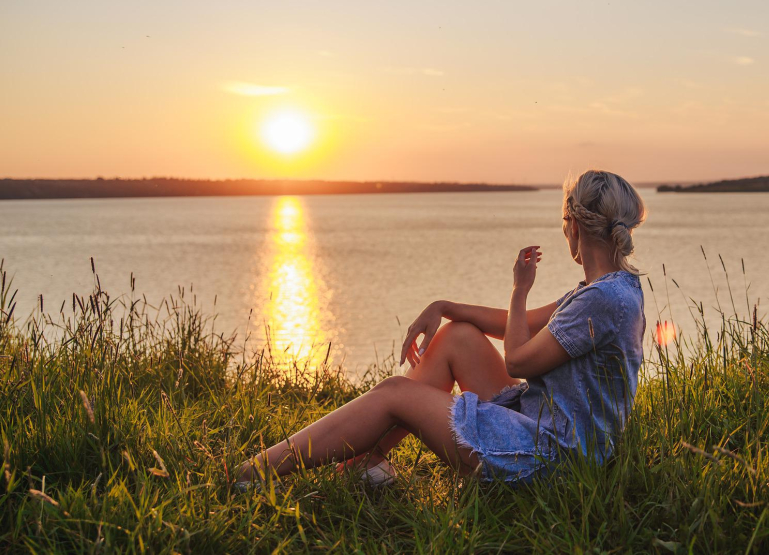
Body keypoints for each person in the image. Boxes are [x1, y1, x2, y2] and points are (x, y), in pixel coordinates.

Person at [236, 169, 647, 487]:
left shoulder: (601, 300)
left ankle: (250, 473)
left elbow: (519, 359)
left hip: (550, 456)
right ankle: (367, 464)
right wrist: (444, 307)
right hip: (557, 434)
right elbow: (514, 329)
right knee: (459, 335)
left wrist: (519, 290)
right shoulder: (611, 290)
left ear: (573, 225)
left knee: (395, 393)